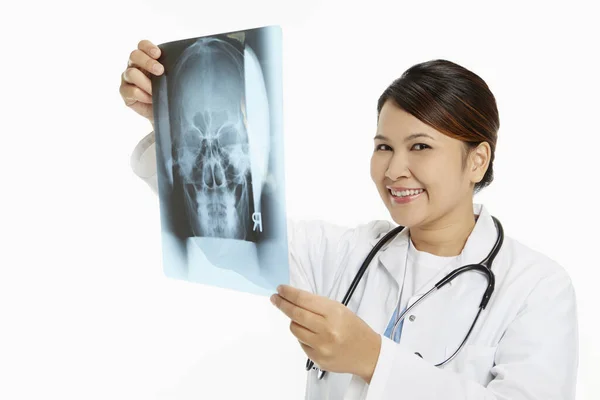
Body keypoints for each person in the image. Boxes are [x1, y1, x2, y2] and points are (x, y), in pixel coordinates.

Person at [120, 39, 579, 399]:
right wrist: (168, 115)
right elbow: (227, 236)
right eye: (384, 146)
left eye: (420, 146)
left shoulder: (537, 288)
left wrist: (375, 359)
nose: (394, 169)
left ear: (477, 161)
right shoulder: (344, 254)